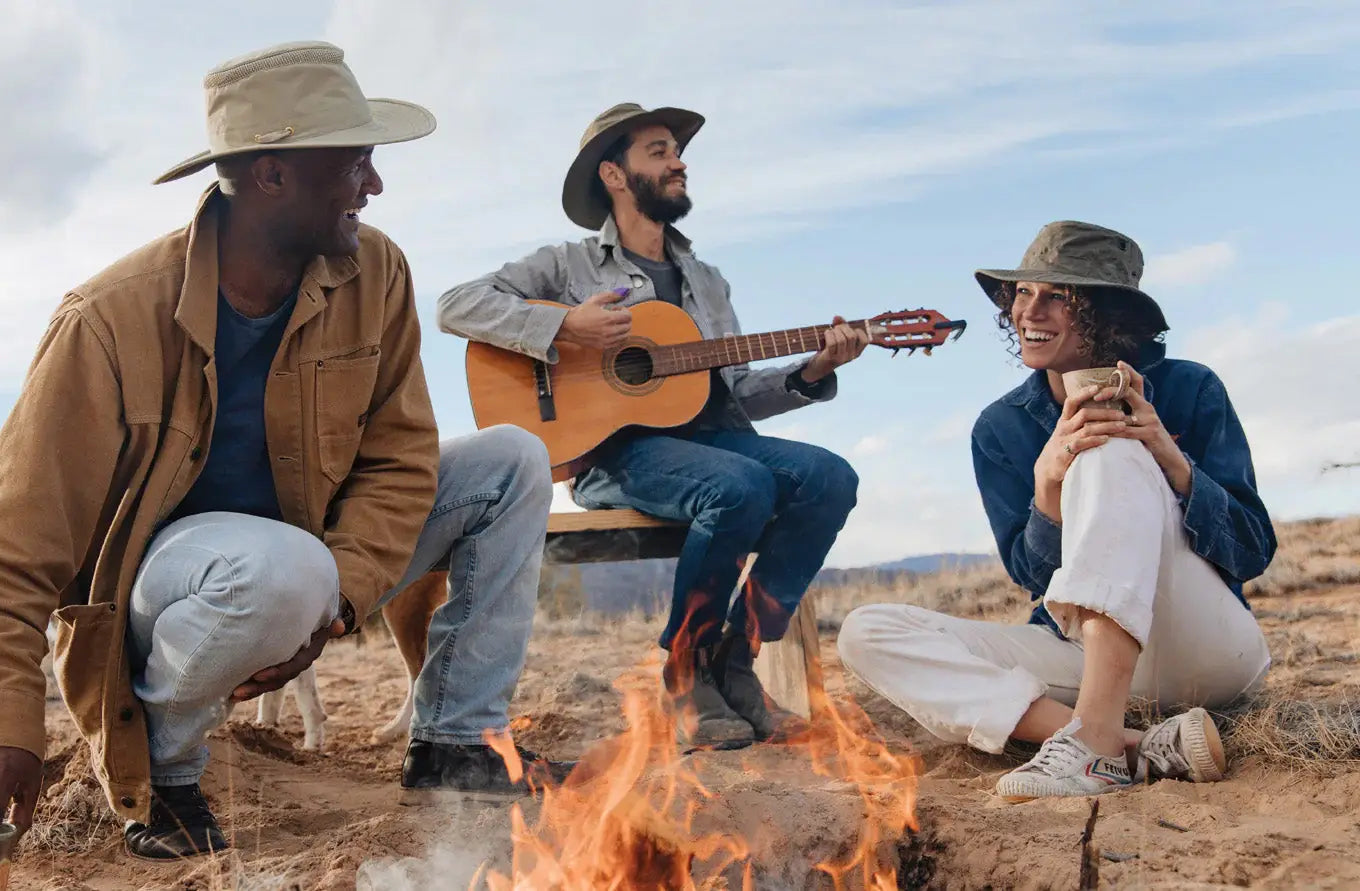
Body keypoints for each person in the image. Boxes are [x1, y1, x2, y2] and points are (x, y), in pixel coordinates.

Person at [0, 41, 573, 869]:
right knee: (281, 570)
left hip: (311, 558)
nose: (374, 186)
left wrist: (339, 596)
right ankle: (166, 772)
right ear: (272, 175)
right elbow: (5, 551)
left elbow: (401, 455)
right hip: (177, 588)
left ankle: (455, 740)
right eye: (357, 162)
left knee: (513, 460)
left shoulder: (377, 270)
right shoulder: (108, 320)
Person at [437, 103, 870, 750]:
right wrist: (563, 325)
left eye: (677, 150)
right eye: (660, 151)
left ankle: (736, 658)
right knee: (740, 486)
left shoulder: (707, 280)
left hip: (714, 446)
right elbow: (455, 305)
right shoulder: (568, 265)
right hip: (613, 454)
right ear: (614, 174)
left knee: (831, 477)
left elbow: (732, 391)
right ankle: (684, 670)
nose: (679, 161)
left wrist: (811, 371)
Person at [837, 220, 1275, 801]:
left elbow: (1251, 550)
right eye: (1023, 293)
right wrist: (1047, 488)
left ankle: (1092, 747)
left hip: (1204, 645)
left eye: (1058, 297)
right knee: (868, 632)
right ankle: (1133, 744)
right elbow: (1036, 581)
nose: (1030, 312)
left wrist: (1169, 457)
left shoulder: (1193, 388)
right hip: (1083, 656)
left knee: (1110, 445)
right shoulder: (1000, 427)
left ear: (1106, 315)